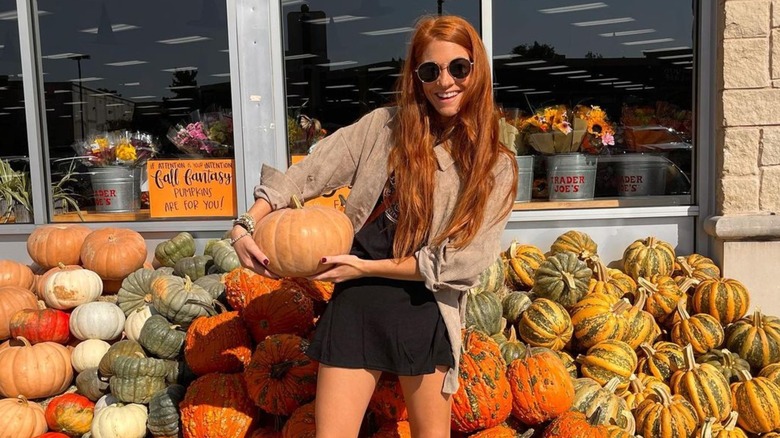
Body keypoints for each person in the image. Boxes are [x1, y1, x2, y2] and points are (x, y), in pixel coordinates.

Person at [230, 14, 518, 438]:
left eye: (459, 67)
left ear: (477, 70)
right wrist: (244, 225)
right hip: (358, 302)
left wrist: (364, 267)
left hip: (425, 305)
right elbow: (307, 175)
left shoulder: (494, 165)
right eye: (430, 70)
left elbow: (458, 262)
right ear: (416, 77)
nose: (445, 81)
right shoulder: (382, 128)